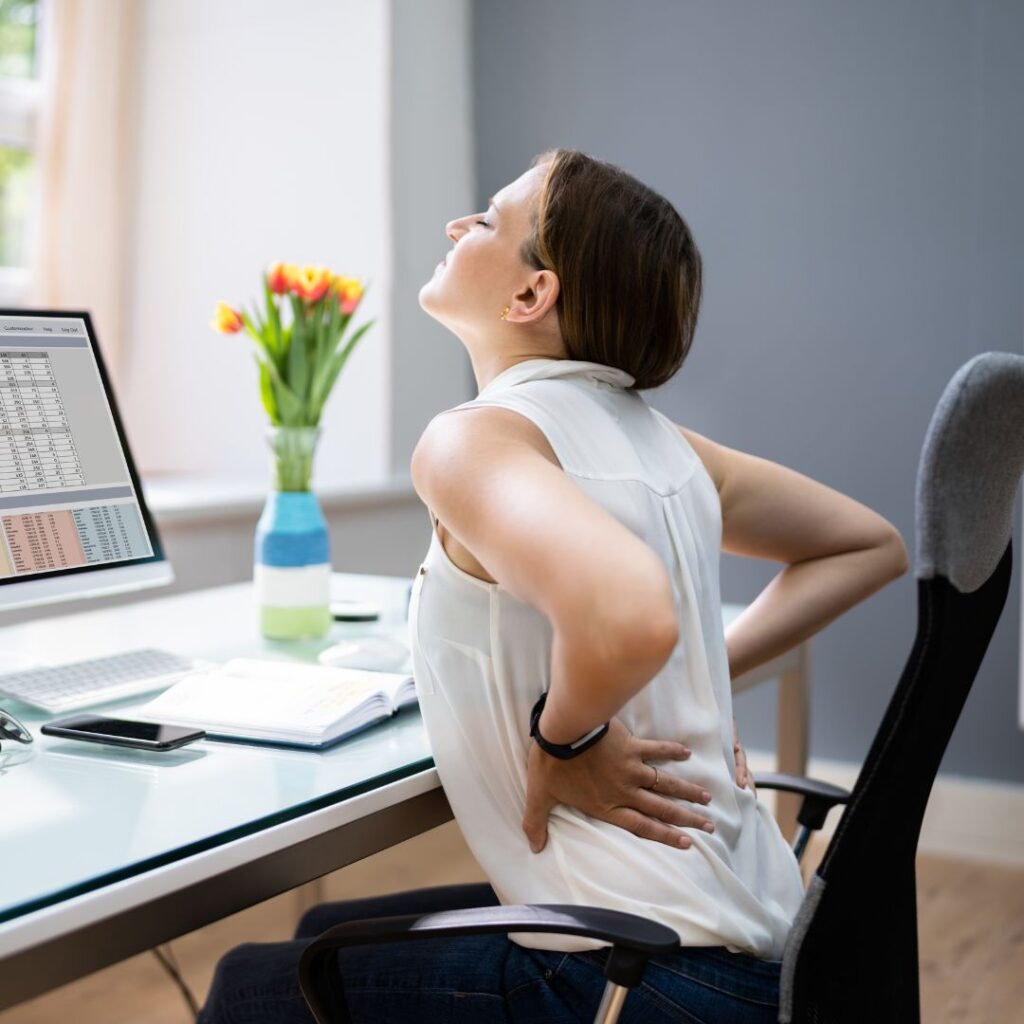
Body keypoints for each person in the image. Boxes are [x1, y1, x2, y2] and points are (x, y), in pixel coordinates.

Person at [199, 149, 908, 1023]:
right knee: (331, 926)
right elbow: (868, 546)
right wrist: (694, 678)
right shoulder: (671, 447)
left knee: (246, 985)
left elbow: (626, 611)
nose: (460, 225)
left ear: (532, 296)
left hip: (637, 982)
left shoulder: (474, 440)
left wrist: (563, 741)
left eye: (490, 219)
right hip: (777, 963)